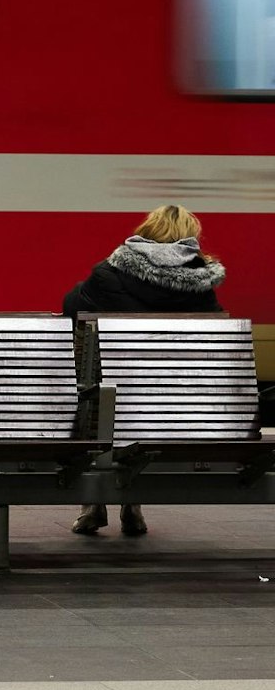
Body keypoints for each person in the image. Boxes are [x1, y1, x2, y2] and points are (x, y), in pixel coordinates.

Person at [62, 204, 226, 537]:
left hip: (113, 401)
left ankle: (92, 504)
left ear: (147, 232)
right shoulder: (201, 282)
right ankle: (132, 505)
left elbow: (71, 307)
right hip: (175, 404)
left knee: (94, 392)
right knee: (139, 404)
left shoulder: (108, 273)